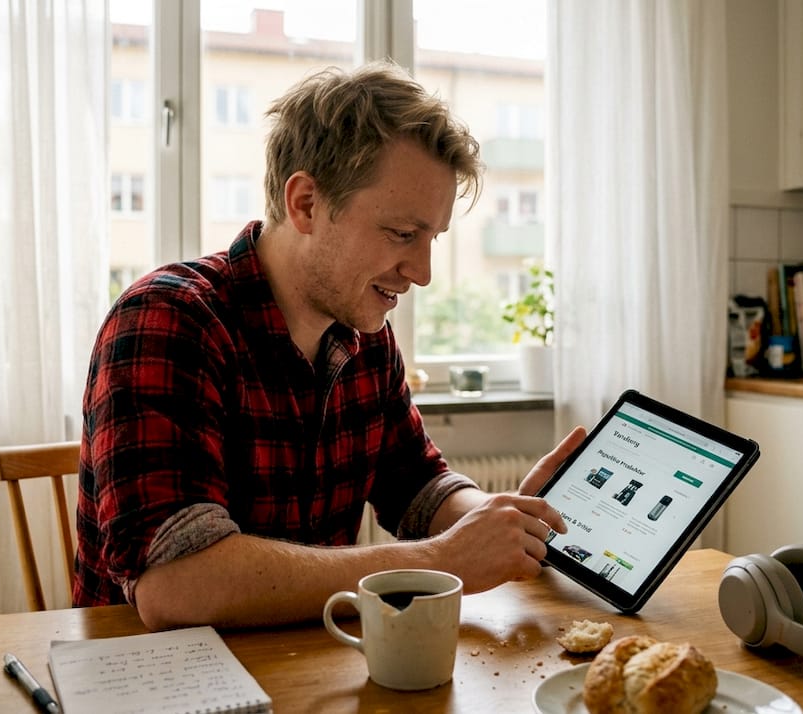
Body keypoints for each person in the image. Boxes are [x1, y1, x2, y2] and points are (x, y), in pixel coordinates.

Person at [74, 60, 585, 630]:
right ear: (306, 204)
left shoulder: (365, 335)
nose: (421, 273)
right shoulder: (168, 318)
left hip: (312, 661)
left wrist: (503, 521)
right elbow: (177, 586)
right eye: (402, 234)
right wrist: (442, 559)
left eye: (431, 238)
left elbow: (417, 486)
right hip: (158, 674)